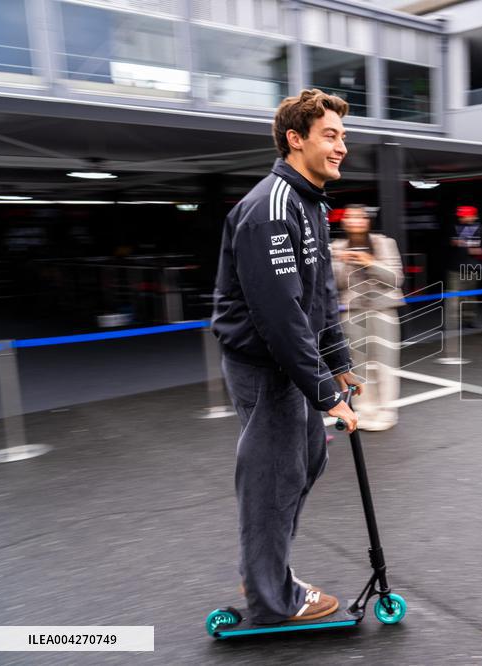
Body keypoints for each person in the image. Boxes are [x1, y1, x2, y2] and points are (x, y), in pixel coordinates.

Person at [210, 89, 362, 625]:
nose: (342, 145)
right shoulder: (271, 209)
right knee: (275, 474)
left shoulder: (310, 203)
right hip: (263, 364)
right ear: (295, 140)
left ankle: (267, 571)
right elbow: (280, 317)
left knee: (307, 460)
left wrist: (338, 359)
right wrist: (326, 394)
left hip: (288, 360)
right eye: (330, 134)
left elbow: (318, 294)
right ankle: (272, 600)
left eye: (343, 135)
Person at [332, 205, 405, 431]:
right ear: (344, 222)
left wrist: (369, 262)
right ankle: (365, 410)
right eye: (350, 217)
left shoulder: (384, 243)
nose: (355, 221)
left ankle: (387, 411)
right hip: (352, 313)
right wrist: (343, 262)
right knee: (358, 365)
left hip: (384, 310)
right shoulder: (336, 248)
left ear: (367, 220)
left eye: (360, 217)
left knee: (386, 363)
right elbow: (335, 284)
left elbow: (395, 279)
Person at [448, 205, 482, 328]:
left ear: (473, 216)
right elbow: (444, 244)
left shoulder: (481, 229)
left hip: (472, 268)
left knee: (470, 295)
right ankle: (452, 321)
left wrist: (478, 251)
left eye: (464, 215)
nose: (461, 218)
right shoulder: (453, 228)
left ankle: (468, 320)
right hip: (455, 268)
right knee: (453, 295)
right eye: (460, 216)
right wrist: (452, 242)